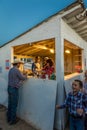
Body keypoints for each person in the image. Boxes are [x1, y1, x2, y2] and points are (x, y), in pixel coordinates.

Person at [7, 59, 27, 125]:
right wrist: (25, 74)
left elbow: (16, 77)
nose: (20, 65)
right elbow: (23, 78)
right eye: (19, 63)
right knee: (14, 105)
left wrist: (21, 74)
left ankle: (8, 118)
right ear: (17, 64)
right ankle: (13, 120)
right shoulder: (17, 70)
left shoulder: (11, 70)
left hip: (9, 88)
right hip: (14, 89)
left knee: (10, 104)